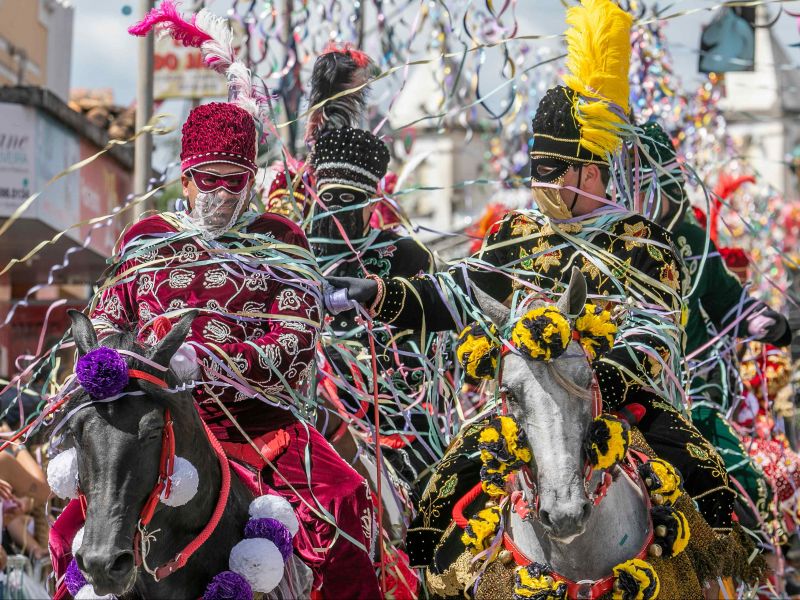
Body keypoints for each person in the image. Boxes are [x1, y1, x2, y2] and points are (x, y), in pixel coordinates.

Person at [328, 0, 737, 562]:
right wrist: (379, 293)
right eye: (534, 170)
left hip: (617, 400)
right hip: (525, 406)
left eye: (550, 173)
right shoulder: (516, 233)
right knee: (434, 511)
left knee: (713, 493)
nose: (537, 184)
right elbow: (459, 293)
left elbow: (656, 331)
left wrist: (592, 373)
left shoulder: (642, 241)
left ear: (588, 170)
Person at [51, 6, 382, 597]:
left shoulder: (281, 239)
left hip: (259, 431)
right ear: (186, 177)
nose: (223, 192)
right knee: (68, 532)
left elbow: (296, 336)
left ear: (251, 180)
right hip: (149, 420)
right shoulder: (146, 238)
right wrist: (114, 362)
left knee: (345, 505)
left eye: (235, 179)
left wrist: (209, 360)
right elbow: (107, 314)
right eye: (210, 178)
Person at [636, 120, 791, 531]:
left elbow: (727, 300)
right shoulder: (608, 244)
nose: (646, 198)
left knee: (745, 485)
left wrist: (758, 320)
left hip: (694, 396)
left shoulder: (691, 239)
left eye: (653, 186)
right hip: (625, 396)